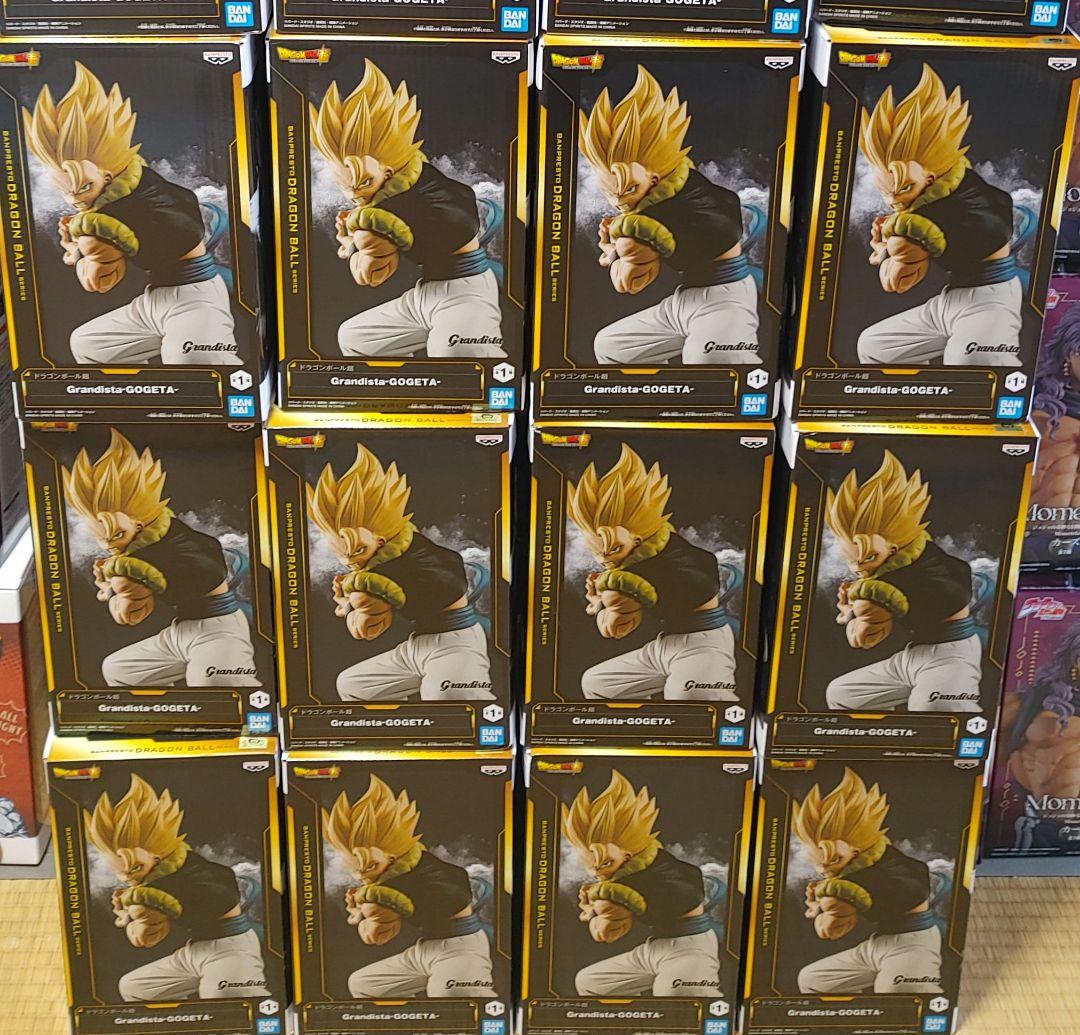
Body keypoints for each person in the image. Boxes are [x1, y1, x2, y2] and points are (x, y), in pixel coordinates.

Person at [24, 63, 238, 366]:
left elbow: (98, 283)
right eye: (64, 190)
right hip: (155, 300)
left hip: (195, 299)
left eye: (82, 188)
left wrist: (80, 250)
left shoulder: (99, 222)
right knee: (89, 346)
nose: (73, 199)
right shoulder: (140, 179)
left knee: (195, 366)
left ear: (107, 176)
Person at [310, 60, 505, 360]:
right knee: (356, 339)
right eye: (344, 185)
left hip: (466, 293)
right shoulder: (412, 179)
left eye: (362, 183)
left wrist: (359, 242)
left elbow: (370, 276)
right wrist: (354, 241)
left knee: (455, 357)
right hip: (425, 294)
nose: (353, 195)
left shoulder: (391, 207)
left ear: (387, 172)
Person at [577, 66, 759, 366]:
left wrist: (615, 251)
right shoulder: (685, 179)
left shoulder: (640, 226)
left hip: (725, 301)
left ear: (653, 179)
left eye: (628, 190)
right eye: (609, 192)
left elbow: (628, 284)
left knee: (709, 365)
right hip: (684, 300)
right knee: (612, 347)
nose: (618, 202)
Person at [63, 430, 258, 688]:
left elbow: (210, 570)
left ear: (139, 525)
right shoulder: (136, 550)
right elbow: (130, 616)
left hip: (219, 630)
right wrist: (113, 587)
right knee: (119, 670)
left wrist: (132, 573)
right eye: (101, 539)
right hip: (180, 633)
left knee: (212, 683)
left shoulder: (175, 539)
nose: (108, 546)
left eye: (116, 536)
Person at [856, 64, 1021, 367]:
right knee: (875, 347)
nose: (892, 200)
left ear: (930, 178)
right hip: (950, 301)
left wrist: (891, 246)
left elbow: (896, 283)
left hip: (991, 301)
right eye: (884, 191)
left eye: (903, 189)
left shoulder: (924, 219)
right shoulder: (956, 184)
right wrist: (887, 245)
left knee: (969, 367)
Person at [306, 444, 493, 702]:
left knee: (448, 701)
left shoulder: (414, 555)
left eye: (357, 551)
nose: (349, 562)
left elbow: (367, 630)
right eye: (341, 554)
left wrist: (360, 595)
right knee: (353, 686)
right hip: (417, 647)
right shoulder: (383, 561)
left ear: (381, 541)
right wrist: (350, 598)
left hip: (455, 644)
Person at [567, 444, 738, 703]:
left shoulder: (671, 555)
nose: (603, 559)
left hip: (704, 644)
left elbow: (702, 582)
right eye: (596, 551)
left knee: (689, 700)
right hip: (665, 645)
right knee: (599, 684)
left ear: (637, 539)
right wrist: (600, 600)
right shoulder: (638, 558)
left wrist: (619, 590)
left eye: (613, 549)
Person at [823, 450, 981, 712]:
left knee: (931, 713)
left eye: (867, 558)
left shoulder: (881, 588)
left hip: (951, 657)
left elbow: (862, 640)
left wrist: (855, 611)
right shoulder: (922, 554)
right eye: (850, 560)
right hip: (913, 656)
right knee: (843, 695)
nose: (857, 568)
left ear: (893, 549)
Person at [86, 775, 267, 1001]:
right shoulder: (163, 874)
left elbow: (223, 893)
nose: (126, 877)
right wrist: (131, 912)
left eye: (134, 868)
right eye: (119, 871)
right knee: (134, 988)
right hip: (194, 951)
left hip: (231, 948)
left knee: (224, 999)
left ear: (156, 857)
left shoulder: (189, 873)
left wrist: (142, 907)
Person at [323, 775, 495, 999]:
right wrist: (361, 911)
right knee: (364, 985)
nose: (360, 876)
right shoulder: (394, 874)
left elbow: (457, 894)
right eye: (353, 869)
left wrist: (376, 905)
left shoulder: (423, 871)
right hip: (425, 949)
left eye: (369, 867)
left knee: (450, 996)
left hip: (461, 948)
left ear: (392, 858)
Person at [564, 771, 721, 998]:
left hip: (691, 947)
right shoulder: (623, 875)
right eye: (589, 866)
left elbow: (688, 893)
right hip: (654, 949)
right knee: (590, 983)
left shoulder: (662, 868)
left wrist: (610, 900)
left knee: (674, 995)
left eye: (604, 864)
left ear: (627, 855)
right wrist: (594, 907)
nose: (596, 873)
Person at [794, 769, 944, 996]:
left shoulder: (889, 865)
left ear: (855, 851)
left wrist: (835, 897)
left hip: (914, 943)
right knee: (813, 980)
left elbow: (830, 930)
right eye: (818, 862)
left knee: (895, 991)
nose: (823, 869)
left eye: (833, 860)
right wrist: (820, 904)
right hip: (877, 944)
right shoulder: (856, 868)